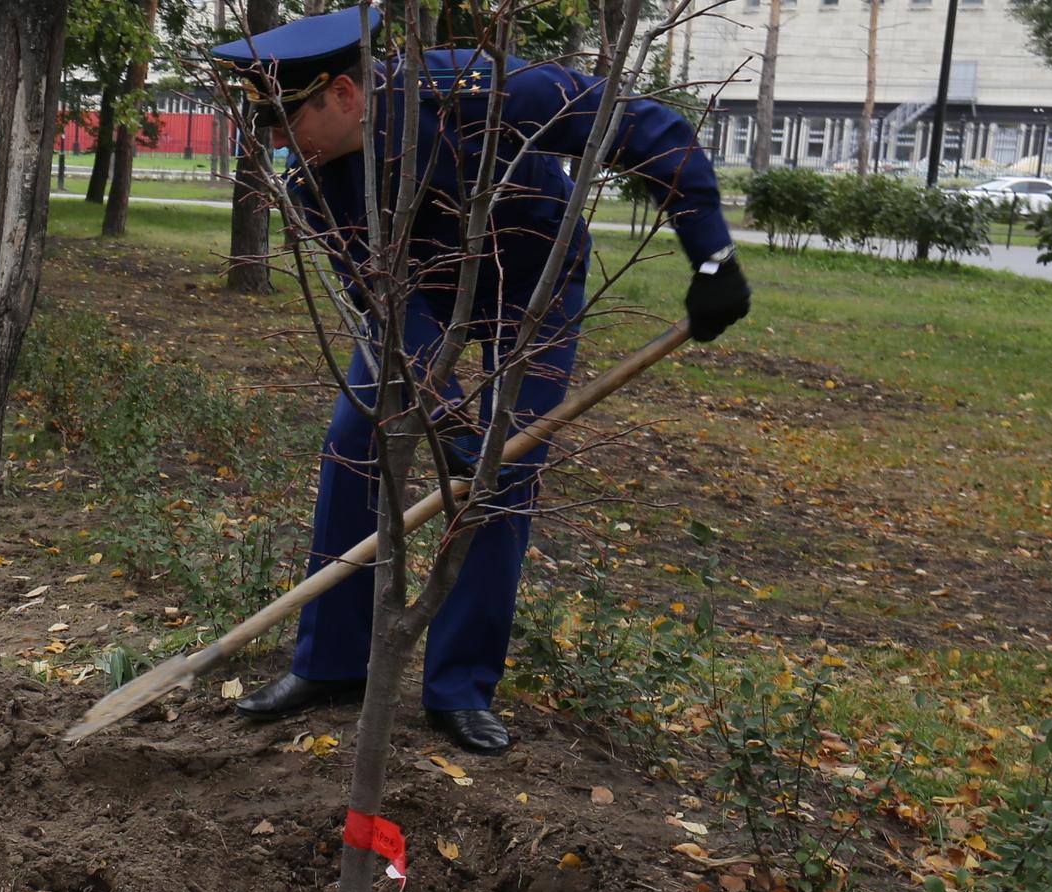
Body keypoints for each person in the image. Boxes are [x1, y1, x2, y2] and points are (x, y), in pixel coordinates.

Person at [212, 8, 751, 755]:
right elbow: (389, 312)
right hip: (418, 302)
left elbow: (642, 126)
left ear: (343, 93)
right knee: (353, 438)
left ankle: (459, 687)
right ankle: (332, 664)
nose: (269, 139)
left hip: (529, 282)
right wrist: (446, 413)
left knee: (503, 469)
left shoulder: (473, 89)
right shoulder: (315, 185)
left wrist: (713, 255)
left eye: (281, 117)